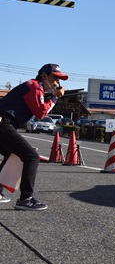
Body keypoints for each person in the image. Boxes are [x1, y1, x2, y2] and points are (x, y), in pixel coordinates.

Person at [0, 63, 67, 210]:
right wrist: (55, 98)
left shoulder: (35, 87)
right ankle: (25, 199)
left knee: (12, 154)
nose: (57, 83)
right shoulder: (35, 86)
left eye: (59, 80)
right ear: (44, 76)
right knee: (32, 157)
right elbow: (40, 112)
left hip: (3, 124)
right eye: (55, 78)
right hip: (3, 124)